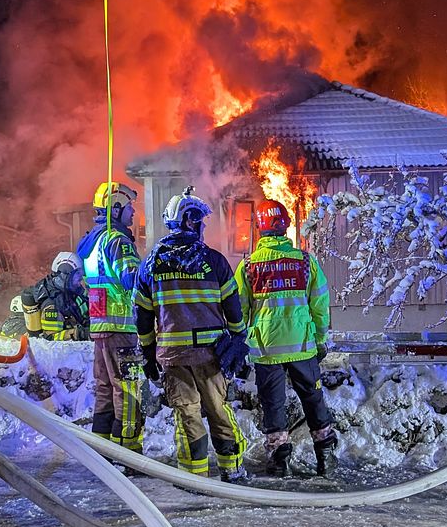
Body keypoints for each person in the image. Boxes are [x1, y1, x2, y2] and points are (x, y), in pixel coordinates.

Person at [133, 186, 250, 483]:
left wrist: (148, 356)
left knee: (188, 418)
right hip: (212, 356)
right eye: (200, 222)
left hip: (174, 359)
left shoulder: (151, 264)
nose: (201, 228)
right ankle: (232, 473)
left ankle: (194, 480)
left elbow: (143, 317)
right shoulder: (214, 261)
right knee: (219, 413)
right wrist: (238, 341)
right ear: (191, 221)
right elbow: (233, 309)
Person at [235, 200, 338, 478]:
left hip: (266, 350)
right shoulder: (305, 261)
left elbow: (239, 310)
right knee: (313, 399)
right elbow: (319, 305)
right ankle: (326, 457)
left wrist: (243, 344)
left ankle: (280, 460)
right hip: (303, 347)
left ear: (260, 228)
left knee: (273, 404)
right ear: (285, 227)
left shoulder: (247, 266)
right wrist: (319, 339)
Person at [76, 182, 145, 453]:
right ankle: (129, 453)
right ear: (115, 208)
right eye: (129, 208)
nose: (133, 214)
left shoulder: (92, 241)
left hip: (101, 327)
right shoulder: (118, 240)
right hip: (122, 328)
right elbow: (132, 280)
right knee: (127, 390)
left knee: (105, 388)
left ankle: (104, 449)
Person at [21, 252, 90, 341]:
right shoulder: (53, 303)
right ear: (65, 275)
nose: (80, 278)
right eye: (77, 274)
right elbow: (50, 338)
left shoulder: (71, 293)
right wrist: (79, 334)